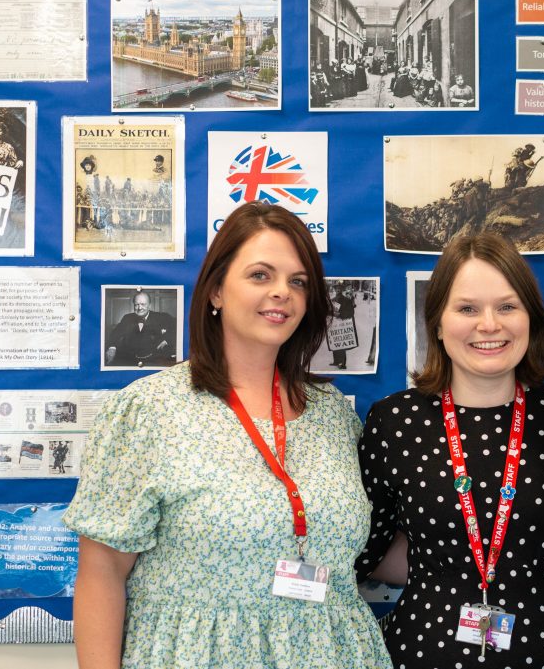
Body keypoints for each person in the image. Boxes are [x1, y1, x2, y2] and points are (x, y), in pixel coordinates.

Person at [64, 202, 389, 669]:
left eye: (297, 281)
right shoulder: (151, 409)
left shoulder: (333, 416)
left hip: (334, 652)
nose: (282, 292)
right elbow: (101, 572)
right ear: (216, 290)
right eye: (261, 275)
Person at [356, 233, 544, 669]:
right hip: (423, 651)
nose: (489, 324)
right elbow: (366, 548)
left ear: (530, 318)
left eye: (507, 306)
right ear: (437, 323)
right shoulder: (394, 422)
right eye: (467, 308)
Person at [104, 291, 177, 368]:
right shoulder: (127, 318)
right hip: (131, 361)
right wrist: (112, 347)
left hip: (155, 361)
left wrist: (167, 340)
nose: (139, 308)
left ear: (149, 305)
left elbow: (178, 328)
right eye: (136, 305)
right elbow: (115, 333)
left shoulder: (162, 317)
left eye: (143, 304)